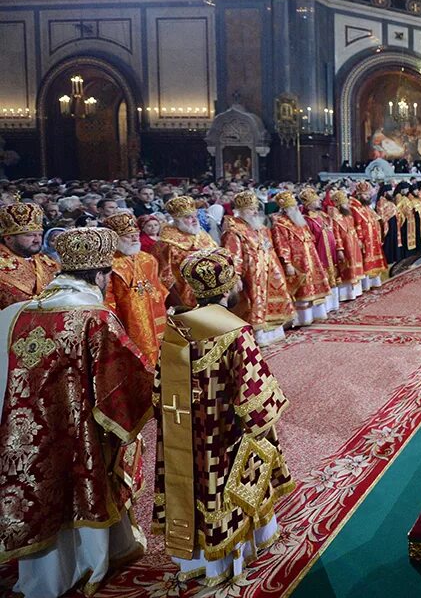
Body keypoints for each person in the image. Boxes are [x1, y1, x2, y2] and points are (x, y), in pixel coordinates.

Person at [0, 227, 153, 598]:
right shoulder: (94, 316)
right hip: (79, 431)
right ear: (99, 276)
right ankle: (92, 561)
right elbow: (127, 380)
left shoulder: (15, 314)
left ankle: (43, 578)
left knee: (39, 494)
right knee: (86, 482)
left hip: (26, 435)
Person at [155, 247, 294, 588]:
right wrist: (263, 423)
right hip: (223, 429)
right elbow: (254, 392)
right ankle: (235, 552)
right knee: (227, 482)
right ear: (229, 285)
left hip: (184, 427)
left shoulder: (175, 329)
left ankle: (195, 558)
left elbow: (159, 387)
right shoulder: (235, 330)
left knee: (192, 482)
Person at [220, 191, 293, 346]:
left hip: (268, 270)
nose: (255, 212)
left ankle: (273, 333)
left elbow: (268, 246)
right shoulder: (234, 230)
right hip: (251, 274)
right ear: (241, 210)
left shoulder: (259, 227)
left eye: (255, 208)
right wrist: (236, 276)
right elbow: (233, 255)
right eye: (251, 209)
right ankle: (256, 336)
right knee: (254, 302)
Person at [102, 212, 169, 365]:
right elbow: (108, 298)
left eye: (136, 234)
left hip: (156, 315)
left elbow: (158, 288)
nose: (134, 238)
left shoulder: (148, 259)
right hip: (129, 319)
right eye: (128, 235)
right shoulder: (109, 265)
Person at [270, 190, 331, 327]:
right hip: (296, 260)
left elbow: (310, 236)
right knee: (301, 291)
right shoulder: (280, 223)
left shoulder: (299, 219)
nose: (296, 209)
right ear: (285, 209)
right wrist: (287, 263)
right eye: (292, 207)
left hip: (310, 256)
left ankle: (314, 314)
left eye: (295, 206)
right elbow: (281, 244)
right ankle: (301, 319)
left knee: (314, 287)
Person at [155, 196, 217, 309]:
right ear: (177, 220)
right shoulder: (166, 243)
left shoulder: (202, 234)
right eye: (188, 217)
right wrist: (177, 302)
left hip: (212, 289)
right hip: (185, 294)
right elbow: (164, 277)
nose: (194, 220)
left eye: (195, 216)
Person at [0, 202, 59, 308]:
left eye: (39, 235)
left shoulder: (49, 262)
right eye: (30, 235)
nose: (37, 240)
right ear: (8, 238)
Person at [299, 187, 341, 314]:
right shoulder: (306, 220)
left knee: (333, 276)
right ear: (309, 204)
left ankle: (333, 304)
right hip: (320, 255)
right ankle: (323, 308)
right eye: (316, 201)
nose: (319, 202)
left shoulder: (322, 215)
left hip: (330, 253)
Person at [327, 189, 366, 301]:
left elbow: (353, 228)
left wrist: (358, 239)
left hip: (353, 243)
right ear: (339, 205)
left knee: (356, 266)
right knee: (347, 268)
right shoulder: (335, 218)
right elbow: (336, 234)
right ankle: (346, 294)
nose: (347, 205)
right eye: (344, 203)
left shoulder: (348, 215)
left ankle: (357, 291)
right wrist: (340, 249)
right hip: (345, 245)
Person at [350, 182, 388, 289]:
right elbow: (356, 225)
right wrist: (360, 240)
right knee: (365, 262)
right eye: (365, 195)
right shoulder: (353, 207)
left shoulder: (366, 207)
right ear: (358, 194)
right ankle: (365, 285)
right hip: (364, 240)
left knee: (374, 261)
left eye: (368, 195)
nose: (368, 197)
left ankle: (374, 282)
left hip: (373, 239)